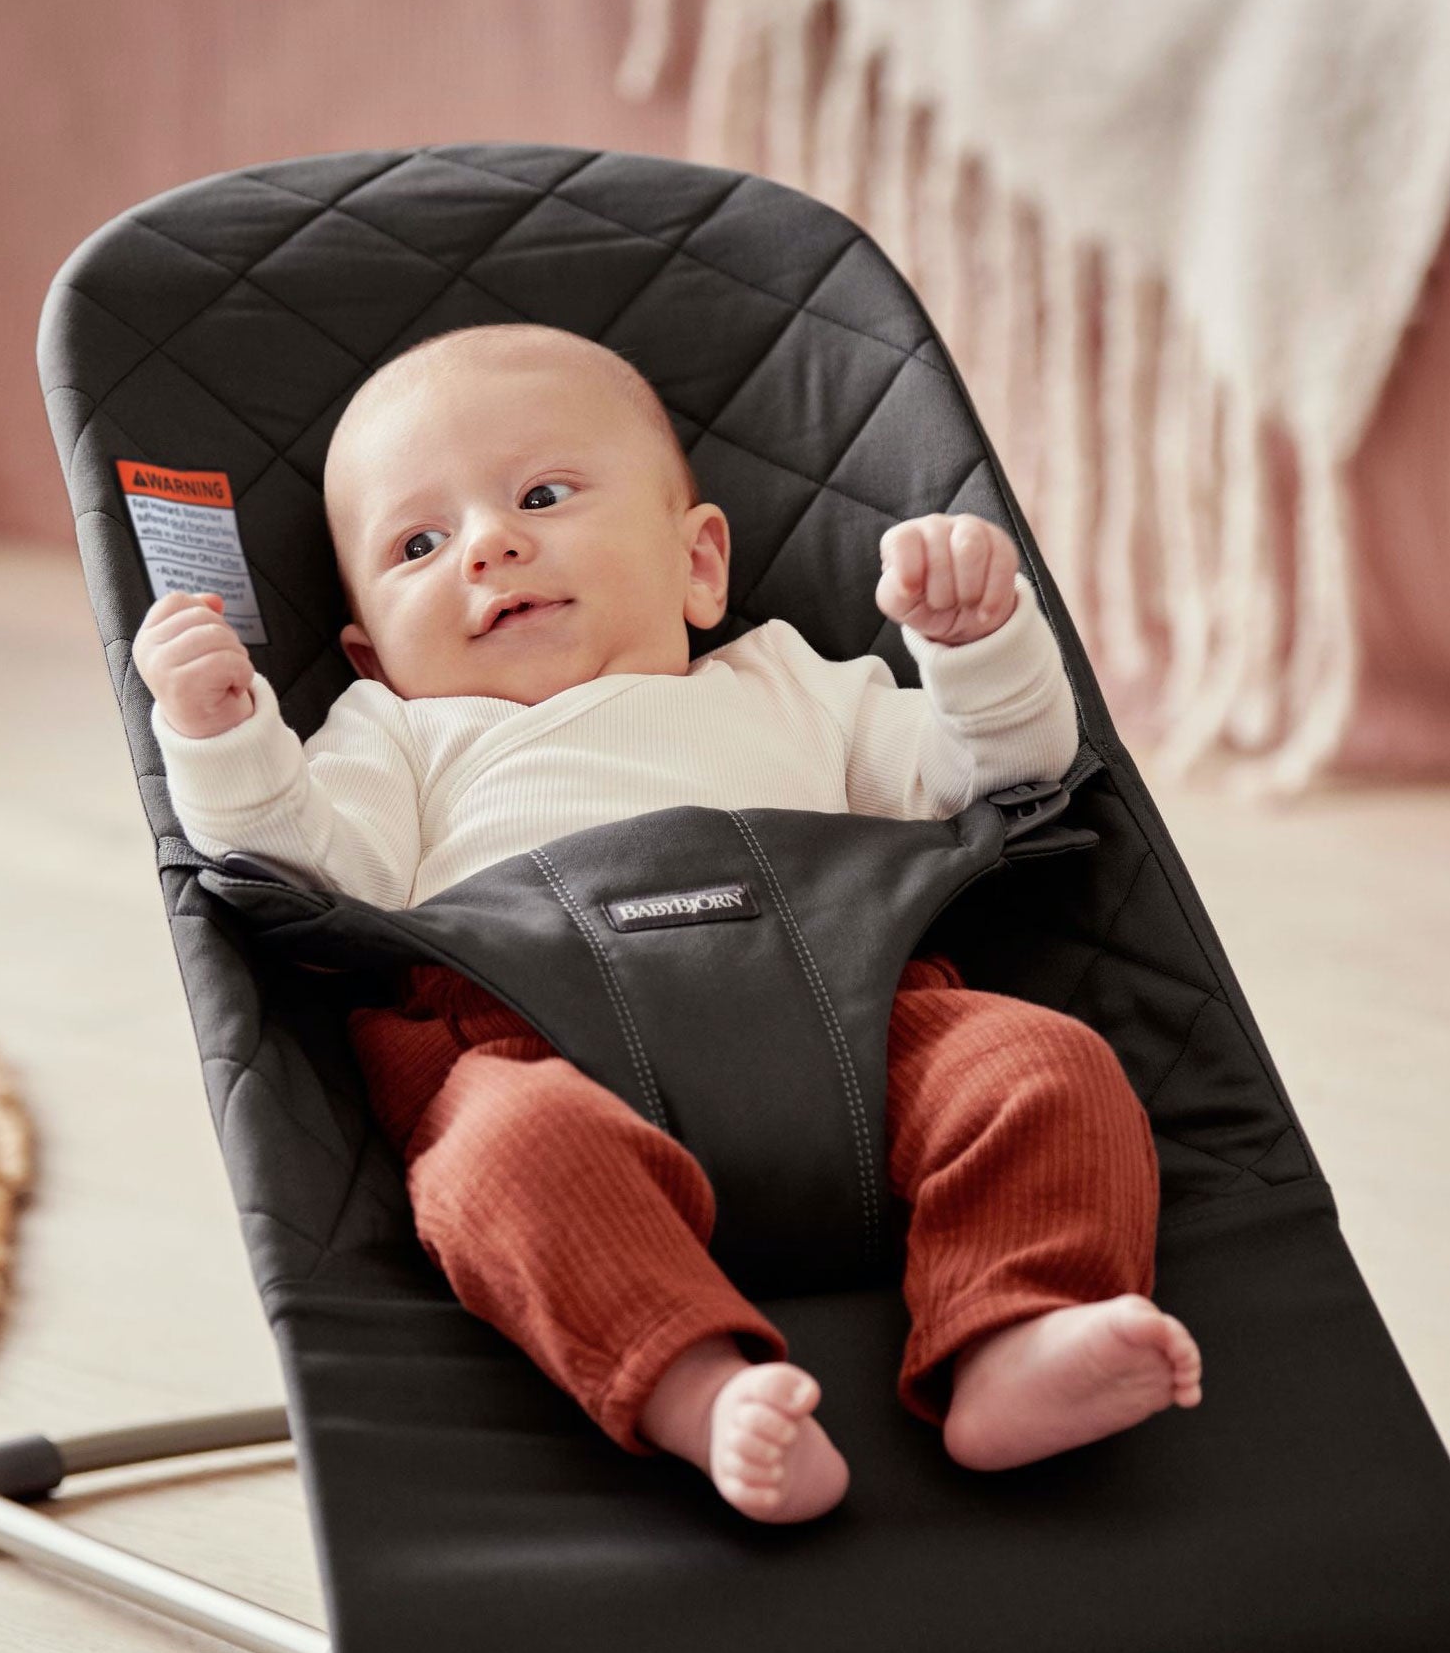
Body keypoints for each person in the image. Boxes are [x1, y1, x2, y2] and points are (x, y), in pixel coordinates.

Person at [132, 322, 1201, 1524]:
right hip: (535, 1052)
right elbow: (292, 872)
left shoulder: (791, 682)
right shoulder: (399, 736)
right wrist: (221, 737)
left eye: (541, 495)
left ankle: (1017, 1328)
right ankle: (697, 1388)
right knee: (494, 1165)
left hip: (859, 1029)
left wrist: (975, 648)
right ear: (372, 656)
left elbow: (996, 774)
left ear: (699, 565)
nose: (488, 545)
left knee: (1045, 1067)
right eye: (419, 544)